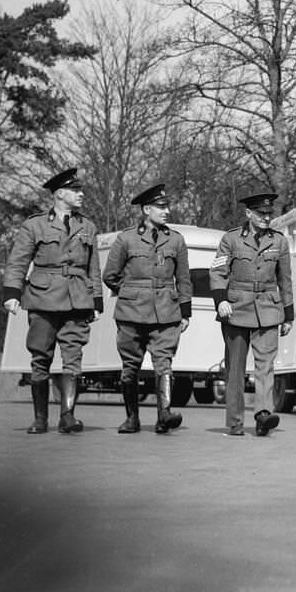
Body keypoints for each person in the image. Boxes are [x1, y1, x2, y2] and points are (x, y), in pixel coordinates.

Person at [2, 167, 103, 434]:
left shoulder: (88, 226)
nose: (81, 194)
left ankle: (67, 416)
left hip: (78, 300)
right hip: (42, 299)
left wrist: (97, 301)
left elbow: (94, 268)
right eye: (76, 190)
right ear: (59, 194)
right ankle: (40, 418)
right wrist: (12, 294)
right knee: (40, 357)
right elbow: (18, 262)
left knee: (73, 358)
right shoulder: (34, 225)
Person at [101, 184, 193, 435]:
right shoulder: (126, 238)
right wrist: (132, 291)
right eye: (161, 207)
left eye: (167, 206)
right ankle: (132, 418)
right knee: (130, 366)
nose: (167, 211)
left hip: (166, 312)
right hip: (131, 313)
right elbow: (110, 275)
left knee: (164, 363)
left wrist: (185, 312)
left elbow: (184, 279)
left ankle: (164, 414)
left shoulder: (175, 239)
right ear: (146, 209)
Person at [209, 190, 294, 437]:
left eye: (269, 213)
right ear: (249, 214)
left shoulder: (279, 241)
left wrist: (288, 315)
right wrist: (220, 301)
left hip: (268, 308)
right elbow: (217, 272)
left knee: (265, 366)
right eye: (261, 213)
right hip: (236, 309)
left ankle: (263, 415)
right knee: (235, 369)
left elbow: (285, 280)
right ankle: (235, 422)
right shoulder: (231, 239)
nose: (266, 218)